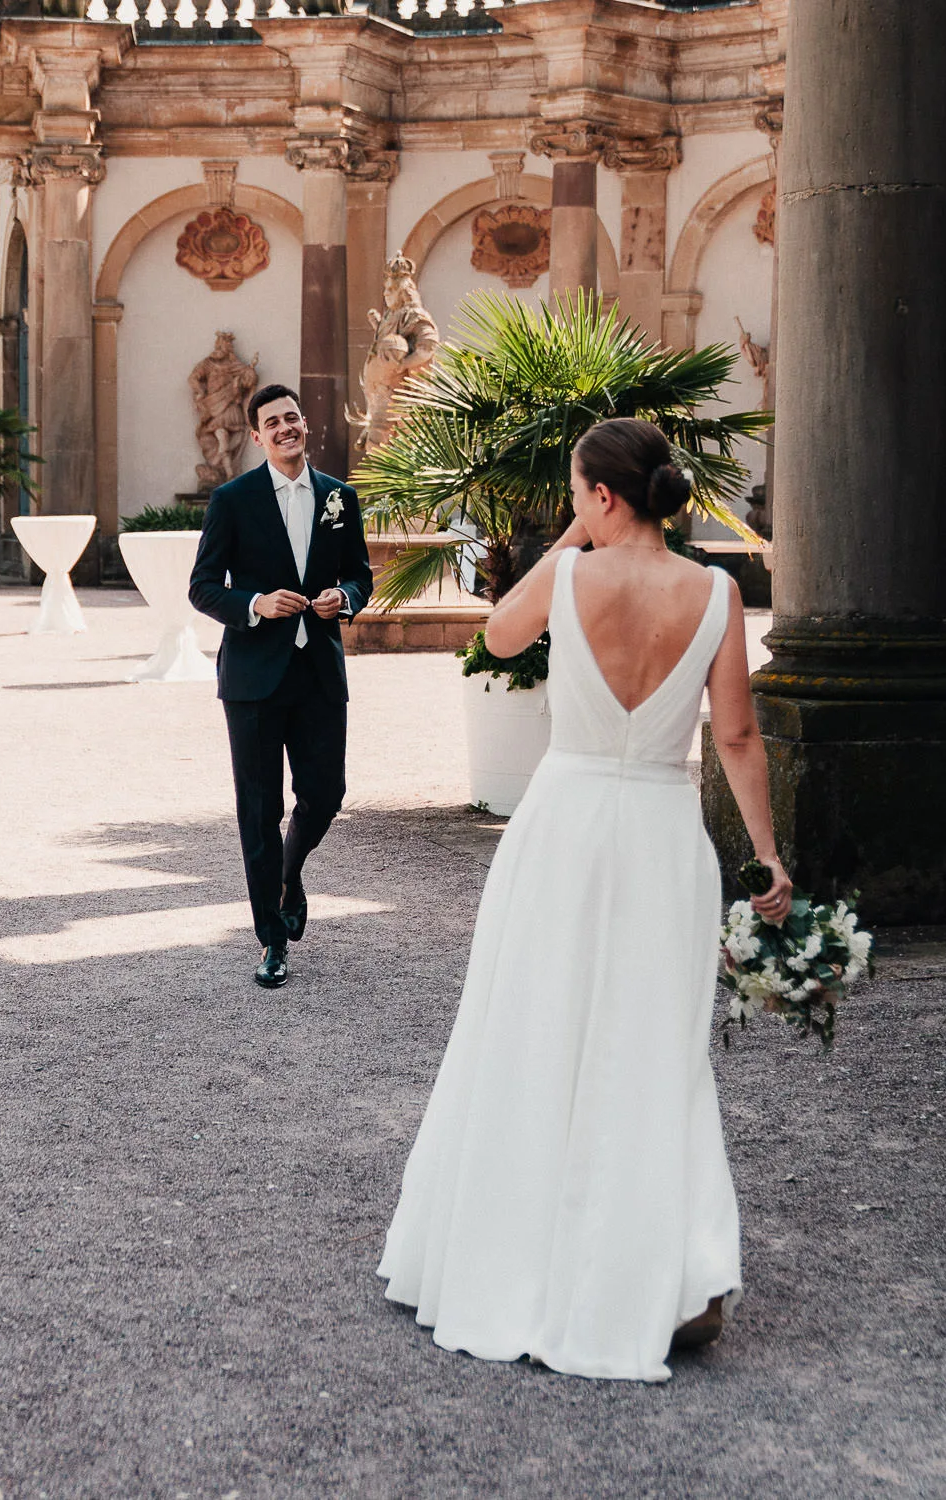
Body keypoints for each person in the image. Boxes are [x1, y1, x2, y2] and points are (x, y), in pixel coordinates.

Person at [377, 416, 794, 1382]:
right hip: (661, 837)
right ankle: (663, 1280)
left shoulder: (567, 575)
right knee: (651, 1052)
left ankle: (509, 1261)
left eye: (575, 495)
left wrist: (570, 543)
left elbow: (498, 636)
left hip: (562, 831)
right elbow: (736, 738)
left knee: (532, 1032)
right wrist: (768, 858)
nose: (571, 511)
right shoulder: (719, 591)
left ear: (603, 496)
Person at [187, 385, 375, 991]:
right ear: (258, 435)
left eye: (292, 417)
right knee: (259, 810)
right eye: (273, 422)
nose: (285, 427)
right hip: (253, 680)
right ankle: (271, 938)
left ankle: (290, 876)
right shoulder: (232, 500)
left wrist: (344, 596)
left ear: (305, 424)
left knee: (325, 795)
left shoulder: (340, 497)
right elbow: (202, 587)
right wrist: (255, 604)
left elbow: (361, 575)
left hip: (318, 672)